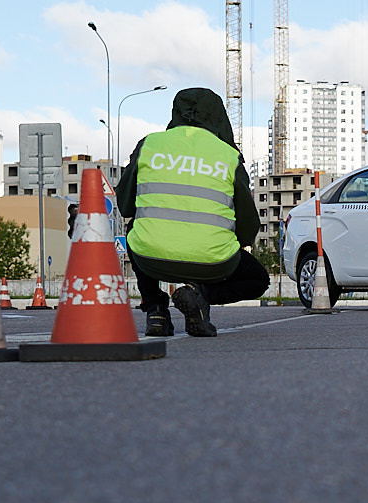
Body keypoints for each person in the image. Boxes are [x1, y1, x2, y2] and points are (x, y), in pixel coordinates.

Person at [114, 86, 267, 338]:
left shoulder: (149, 144)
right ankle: (201, 296)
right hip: (214, 263)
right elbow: (248, 222)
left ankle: (156, 311)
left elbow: (126, 205)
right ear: (219, 116)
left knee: (135, 230)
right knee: (258, 280)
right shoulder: (229, 155)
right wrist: (231, 244)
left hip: (150, 258)